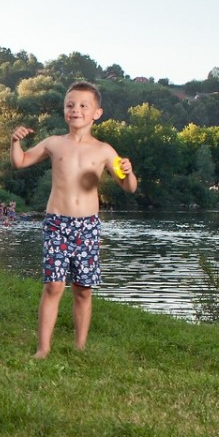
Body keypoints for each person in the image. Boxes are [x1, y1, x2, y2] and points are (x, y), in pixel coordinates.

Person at [10, 80, 137, 356]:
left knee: (83, 289)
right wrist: (15, 142)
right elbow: (20, 162)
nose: (75, 110)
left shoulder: (104, 150)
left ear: (97, 113)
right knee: (53, 285)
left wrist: (128, 171)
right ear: (64, 110)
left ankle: (80, 348)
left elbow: (129, 188)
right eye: (70, 105)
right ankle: (43, 349)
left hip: (88, 227)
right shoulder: (54, 143)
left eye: (82, 105)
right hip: (57, 222)